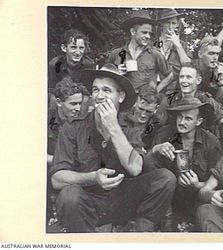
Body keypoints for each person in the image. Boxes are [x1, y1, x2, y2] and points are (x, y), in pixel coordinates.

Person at [49, 63, 176, 233]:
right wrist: (93, 177)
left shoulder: (129, 126)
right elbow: (57, 179)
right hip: (89, 200)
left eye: (106, 90)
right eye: (95, 90)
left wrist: (114, 128)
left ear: (121, 96)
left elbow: (135, 167)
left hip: (122, 199)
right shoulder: (72, 128)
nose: (99, 96)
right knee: (69, 195)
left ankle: (141, 233)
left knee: (165, 178)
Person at [146, 97, 222, 231]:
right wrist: (155, 150)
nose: (181, 122)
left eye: (188, 119)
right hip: (168, 201)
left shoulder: (211, 142)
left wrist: (197, 185)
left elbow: (218, 180)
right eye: (179, 117)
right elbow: (146, 169)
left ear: (199, 121)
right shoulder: (164, 135)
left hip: (196, 199)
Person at [106, 9, 174, 93]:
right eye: (144, 32)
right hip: (123, 101)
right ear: (133, 31)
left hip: (145, 103)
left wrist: (155, 91)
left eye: (149, 33)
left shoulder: (155, 54)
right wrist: (116, 73)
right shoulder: (116, 54)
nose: (148, 36)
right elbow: (105, 79)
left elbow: (170, 76)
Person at [158, 64, 223, 134]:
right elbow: (158, 124)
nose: (184, 81)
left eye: (188, 77)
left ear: (198, 80)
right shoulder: (170, 99)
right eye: (181, 77)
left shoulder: (205, 99)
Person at [47, 76, 93, 166]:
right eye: (73, 104)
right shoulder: (45, 122)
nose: (78, 108)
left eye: (80, 103)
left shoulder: (83, 122)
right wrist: (63, 162)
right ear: (59, 102)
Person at [195, 14, 223, 103]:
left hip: (216, 106)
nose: (215, 57)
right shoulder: (191, 68)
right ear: (200, 54)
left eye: (217, 54)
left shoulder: (221, 68)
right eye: (211, 53)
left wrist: (221, 81)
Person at [155, 8, 191, 92]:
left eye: (173, 23)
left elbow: (188, 65)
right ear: (162, 24)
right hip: (153, 88)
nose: (170, 26)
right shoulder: (152, 44)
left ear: (177, 25)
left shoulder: (182, 45)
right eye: (168, 23)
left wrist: (177, 45)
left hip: (174, 90)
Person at [119, 84, 162, 151]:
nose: (143, 115)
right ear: (135, 102)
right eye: (141, 109)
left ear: (156, 109)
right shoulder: (120, 118)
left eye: (148, 111)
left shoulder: (158, 125)